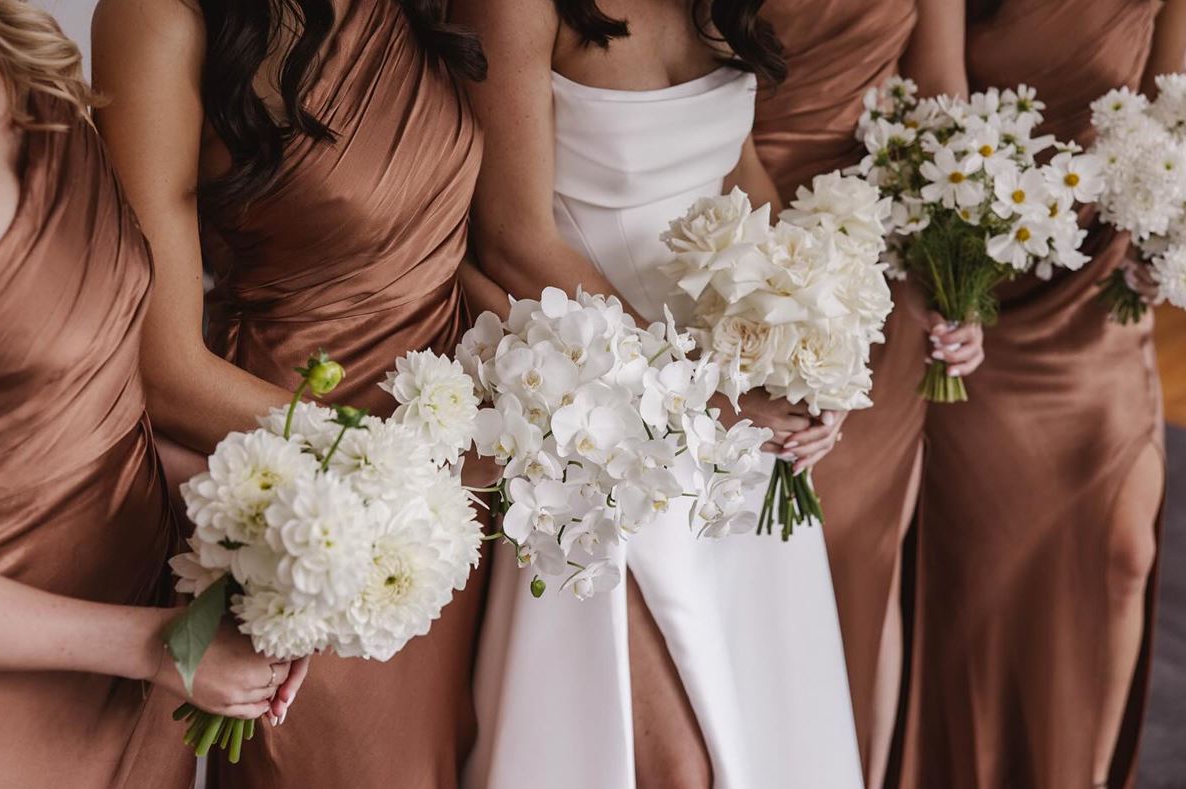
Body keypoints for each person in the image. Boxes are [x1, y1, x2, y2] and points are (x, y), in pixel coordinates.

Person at [456, 1, 863, 786]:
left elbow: (738, 179)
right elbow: (513, 235)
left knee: (765, 719)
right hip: (603, 416)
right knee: (670, 764)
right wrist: (698, 396)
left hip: (743, 411)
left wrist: (814, 346)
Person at [91, 0, 498, 785]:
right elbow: (164, 364)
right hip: (303, 504)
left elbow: (453, 246)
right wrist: (371, 458)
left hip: (448, 502)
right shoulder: (157, 17)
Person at [0, 2, 292, 787]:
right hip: (25, 704)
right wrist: (152, 646)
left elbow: (71, 424)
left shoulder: (32, 63)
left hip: (145, 660)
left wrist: (279, 530)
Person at [902, 1, 1183, 786]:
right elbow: (939, 112)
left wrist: (1169, 235)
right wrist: (956, 275)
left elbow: (1178, 102)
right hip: (980, 265)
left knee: (1125, 552)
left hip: (1101, 278)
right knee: (984, 578)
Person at [752, 1, 983, 786]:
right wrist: (787, 292)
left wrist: (958, 273)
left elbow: (940, 94)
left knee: (861, 563)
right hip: (727, 250)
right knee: (748, 570)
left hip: (874, 269)